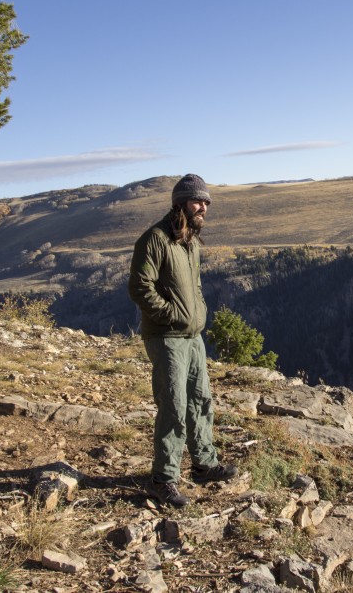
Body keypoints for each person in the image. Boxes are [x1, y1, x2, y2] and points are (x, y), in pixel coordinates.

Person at [127, 174, 237, 507]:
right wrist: (173, 315)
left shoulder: (189, 241)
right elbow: (139, 287)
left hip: (192, 336)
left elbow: (196, 287)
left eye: (206, 202)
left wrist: (198, 312)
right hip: (166, 337)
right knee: (173, 406)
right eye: (196, 201)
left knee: (201, 400)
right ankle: (163, 479)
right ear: (180, 203)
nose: (203, 207)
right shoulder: (156, 239)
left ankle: (204, 463)